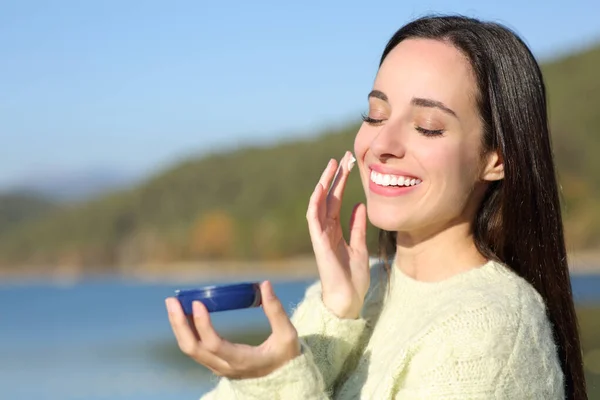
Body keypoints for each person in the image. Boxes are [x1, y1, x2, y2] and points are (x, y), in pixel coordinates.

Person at [165, 15, 587, 399]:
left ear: (496, 158)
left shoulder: (490, 334)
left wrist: (280, 378)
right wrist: (335, 311)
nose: (382, 145)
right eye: (376, 114)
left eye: (428, 127)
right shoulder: (354, 295)